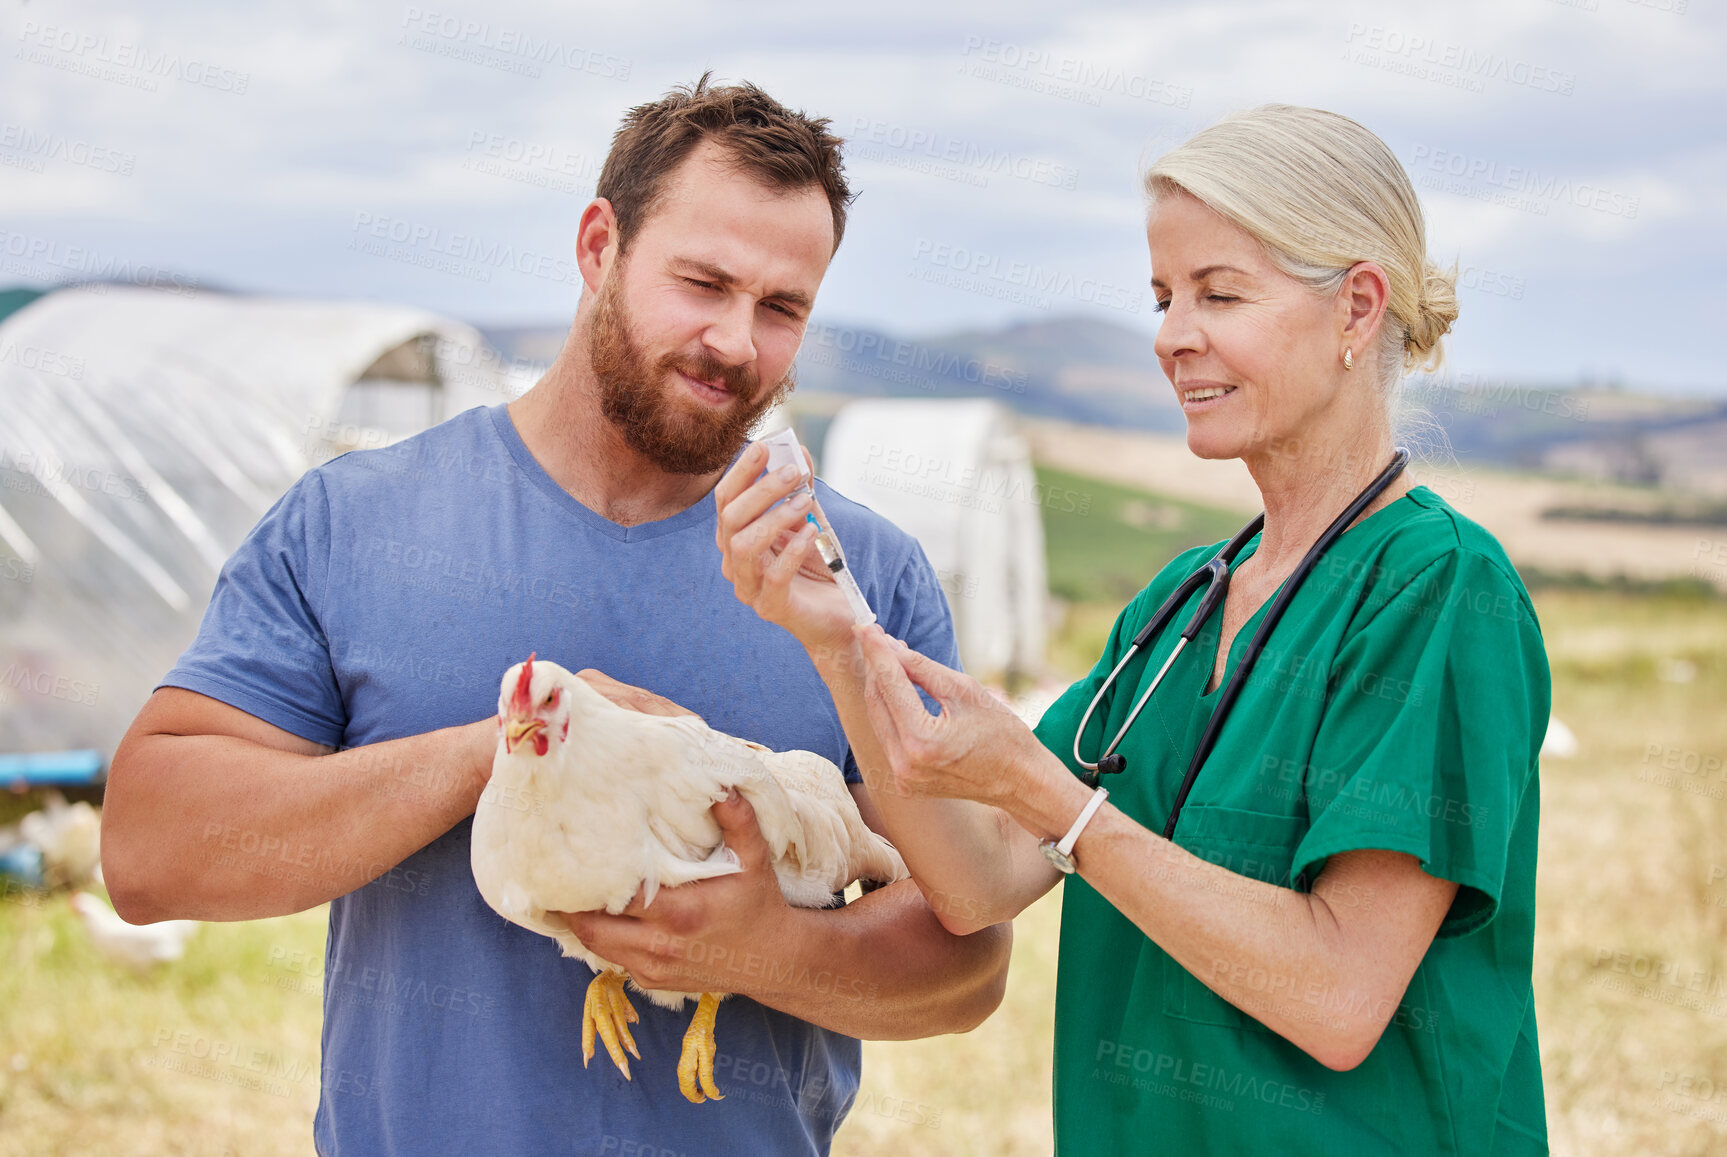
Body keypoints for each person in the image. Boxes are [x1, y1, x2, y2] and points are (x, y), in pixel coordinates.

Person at [102, 75, 1009, 1157]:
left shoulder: (855, 582)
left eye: (781, 308)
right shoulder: (356, 523)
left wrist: (765, 949)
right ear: (597, 247)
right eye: (702, 281)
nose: (734, 340)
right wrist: (513, 746)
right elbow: (150, 850)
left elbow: (966, 965)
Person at [717, 104, 1550, 1154]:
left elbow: (1339, 994)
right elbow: (975, 883)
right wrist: (836, 640)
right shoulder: (1176, 608)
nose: (1170, 334)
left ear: (1354, 309)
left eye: (1218, 293)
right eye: (1162, 296)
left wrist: (1050, 796)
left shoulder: (1437, 590)